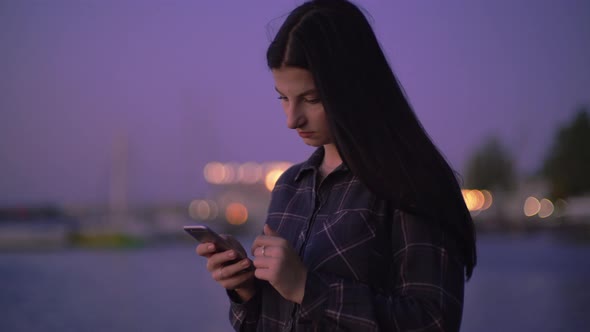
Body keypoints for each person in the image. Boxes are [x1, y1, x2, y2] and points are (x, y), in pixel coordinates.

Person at [196, 0, 477, 331]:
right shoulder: (289, 186)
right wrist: (244, 288)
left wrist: (307, 287)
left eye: (311, 99)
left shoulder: (413, 185)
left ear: (354, 87)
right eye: (283, 98)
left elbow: (434, 322)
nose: (291, 119)